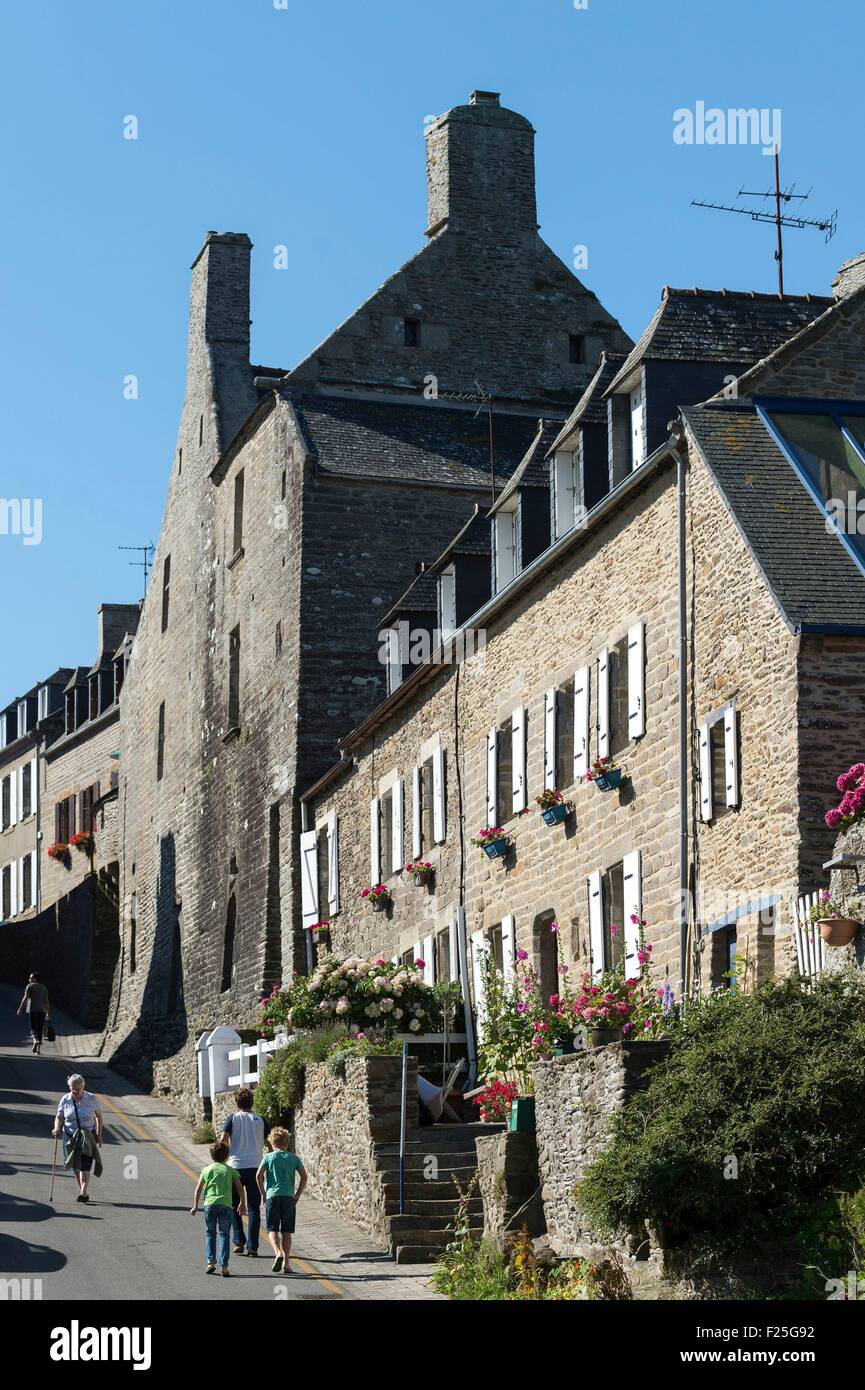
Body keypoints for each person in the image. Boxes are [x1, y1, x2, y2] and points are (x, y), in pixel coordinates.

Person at [219, 1086, 270, 1257]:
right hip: (256, 1166)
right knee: (254, 1207)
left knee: (234, 1205)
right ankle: (253, 1247)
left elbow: (223, 1140)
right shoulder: (261, 1119)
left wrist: (223, 1159)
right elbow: (269, 1142)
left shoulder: (232, 1118)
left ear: (236, 1103)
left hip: (236, 1168)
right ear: (252, 1102)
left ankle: (239, 1241)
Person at [190, 1141, 247, 1277]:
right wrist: (242, 1203)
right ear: (227, 1156)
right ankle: (224, 1267)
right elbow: (240, 1189)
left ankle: (210, 1262)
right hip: (226, 1206)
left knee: (210, 1233)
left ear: (211, 1156)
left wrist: (195, 1205)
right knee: (224, 1235)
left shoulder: (206, 1170)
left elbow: (198, 1189)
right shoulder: (231, 1171)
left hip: (209, 1205)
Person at [256, 1127, 307, 1275]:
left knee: (272, 1229)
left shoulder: (268, 1157)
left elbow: (258, 1176)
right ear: (287, 1142)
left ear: (272, 1142)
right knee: (287, 1232)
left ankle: (277, 1252)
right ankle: (286, 1263)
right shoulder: (293, 1158)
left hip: (272, 1196)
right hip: (289, 1197)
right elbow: (304, 1177)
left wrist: (263, 1194)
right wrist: (297, 1195)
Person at [52, 1074, 103, 1202]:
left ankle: (83, 1191)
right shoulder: (65, 1099)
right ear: (69, 1087)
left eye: (78, 1090)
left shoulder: (91, 1098)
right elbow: (59, 1116)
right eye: (73, 1089)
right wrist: (57, 1127)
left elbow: (98, 1117)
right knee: (75, 1165)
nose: (75, 1092)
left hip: (87, 1136)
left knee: (85, 1164)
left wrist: (99, 1134)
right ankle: (83, 1192)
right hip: (69, 1135)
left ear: (83, 1087)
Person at [16, 973, 50, 1054]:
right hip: (42, 1011)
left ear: (35, 979)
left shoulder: (29, 986)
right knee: (40, 1029)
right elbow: (46, 1001)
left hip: (32, 1010)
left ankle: (35, 1041)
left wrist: (20, 1008)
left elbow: (25, 998)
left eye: (30, 978)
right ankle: (38, 1050)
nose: (29, 979)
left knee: (33, 1028)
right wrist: (48, 1012)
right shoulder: (44, 987)